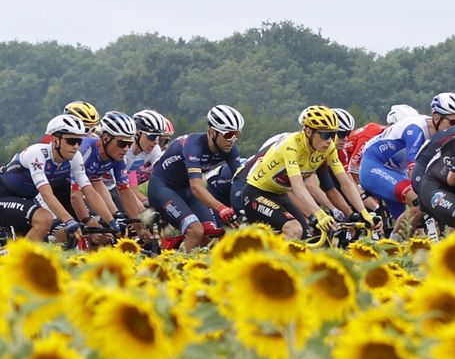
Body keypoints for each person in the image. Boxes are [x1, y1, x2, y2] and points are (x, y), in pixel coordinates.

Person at [242, 105, 376, 239]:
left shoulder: (328, 148)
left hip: (280, 194)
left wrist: (364, 213)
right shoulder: (291, 146)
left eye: (333, 134)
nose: (330, 140)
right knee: (294, 229)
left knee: (307, 235)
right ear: (308, 131)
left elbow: (345, 183)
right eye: (325, 134)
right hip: (256, 192)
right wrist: (319, 213)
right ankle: (265, 259)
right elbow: (298, 187)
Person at [359, 94, 455, 233]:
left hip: (396, 173)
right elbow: (414, 170)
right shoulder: (416, 129)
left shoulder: (443, 134)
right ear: (436, 118)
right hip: (374, 168)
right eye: (454, 123)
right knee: (422, 202)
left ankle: (396, 251)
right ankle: (395, 244)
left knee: (413, 230)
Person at [149, 105, 245, 251]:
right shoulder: (194, 146)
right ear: (212, 132)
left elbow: (240, 180)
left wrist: (242, 207)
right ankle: (176, 268)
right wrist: (221, 208)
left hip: (185, 189)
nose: (233, 140)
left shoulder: (229, 150)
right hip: (163, 188)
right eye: (228, 134)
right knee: (195, 231)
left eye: (237, 135)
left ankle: (194, 264)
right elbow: (196, 187)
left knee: (210, 234)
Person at [0, 115, 94, 242]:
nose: (76, 146)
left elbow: (88, 189)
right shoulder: (37, 154)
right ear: (55, 140)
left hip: (24, 199)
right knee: (44, 218)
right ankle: (19, 259)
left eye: (79, 141)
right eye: (71, 141)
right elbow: (46, 194)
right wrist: (69, 220)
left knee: (54, 234)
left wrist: (111, 220)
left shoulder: (75, 157)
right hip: (4, 195)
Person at [75, 112, 148, 237]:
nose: (126, 149)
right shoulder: (85, 152)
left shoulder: (118, 158)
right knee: (92, 230)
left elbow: (124, 191)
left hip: (84, 188)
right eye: (122, 143)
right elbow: (75, 195)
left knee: (105, 234)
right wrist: (89, 221)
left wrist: (138, 226)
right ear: (106, 138)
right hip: (59, 189)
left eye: (129, 144)